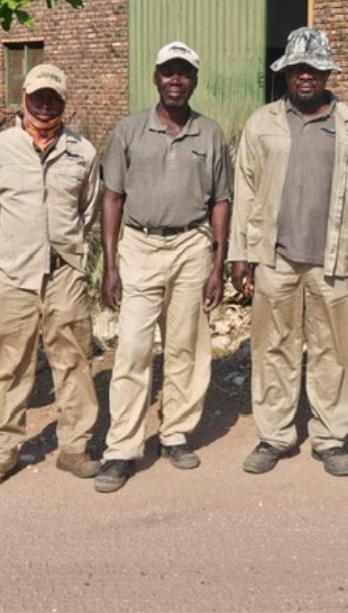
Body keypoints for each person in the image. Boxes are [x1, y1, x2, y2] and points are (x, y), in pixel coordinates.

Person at [230, 27, 348, 478]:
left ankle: (330, 438)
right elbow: (245, 191)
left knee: (333, 351)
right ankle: (274, 436)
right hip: (276, 257)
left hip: (333, 259)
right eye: (297, 69)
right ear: (286, 73)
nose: (305, 77)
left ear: (327, 73)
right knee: (274, 348)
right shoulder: (262, 123)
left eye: (314, 69)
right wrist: (241, 253)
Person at [97, 42, 232, 493]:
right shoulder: (129, 131)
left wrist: (218, 264)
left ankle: (175, 434)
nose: (176, 80)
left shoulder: (210, 134)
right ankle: (121, 447)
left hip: (192, 245)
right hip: (140, 245)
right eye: (168, 72)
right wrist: (110, 265)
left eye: (185, 73)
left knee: (186, 348)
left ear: (194, 80)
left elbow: (221, 201)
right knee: (134, 348)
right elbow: (112, 198)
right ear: (155, 77)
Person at [0, 64, 101, 488]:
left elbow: (88, 209)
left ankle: (75, 447)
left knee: (74, 362)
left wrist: (69, 252)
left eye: (54, 98)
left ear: (66, 102)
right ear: (23, 96)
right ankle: (3, 452)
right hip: (13, 275)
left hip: (64, 272)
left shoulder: (84, 152)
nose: (45, 105)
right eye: (38, 96)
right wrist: (13, 251)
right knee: (8, 366)